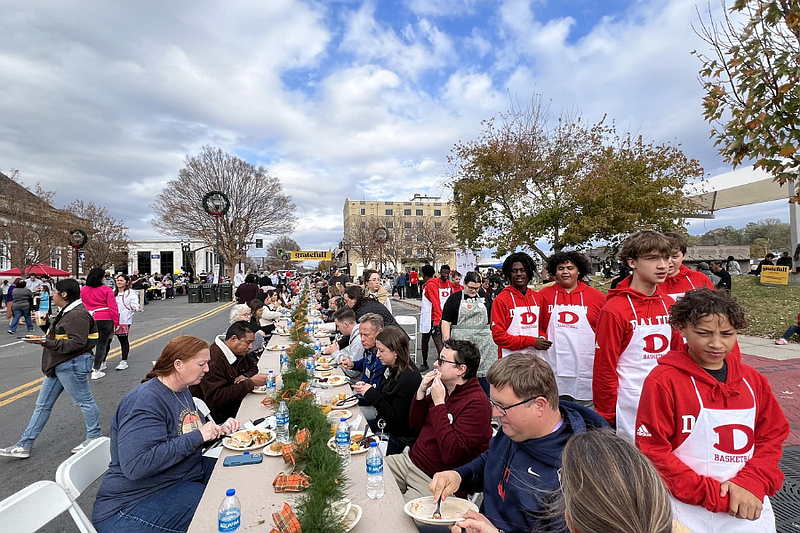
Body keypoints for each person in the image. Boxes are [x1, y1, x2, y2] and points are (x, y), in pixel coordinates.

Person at [636, 288, 789, 532]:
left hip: (747, 506)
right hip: (685, 509)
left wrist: (753, 481)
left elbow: (771, 436)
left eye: (727, 334)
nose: (716, 343)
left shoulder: (753, 380)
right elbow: (653, 451)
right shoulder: (663, 381)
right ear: (681, 328)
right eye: (703, 333)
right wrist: (718, 497)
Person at [430, 353, 607, 533]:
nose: (494, 414)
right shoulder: (515, 429)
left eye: (502, 406)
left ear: (539, 405)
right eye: (494, 403)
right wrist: (459, 476)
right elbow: (491, 460)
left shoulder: (578, 470)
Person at [92, 336, 240, 533]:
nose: (207, 369)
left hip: (181, 474)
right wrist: (199, 436)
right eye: (202, 364)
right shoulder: (145, 403)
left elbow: (187, 432)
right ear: (178, 365)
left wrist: (217, 430)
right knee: (223, 511)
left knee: (238, 474)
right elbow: (136, 466)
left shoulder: (182, 390)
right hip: (133, 502)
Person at [593, 230, 682, 440]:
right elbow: (605, 367)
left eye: (666, 257)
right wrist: (606, 415)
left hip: (667, 401)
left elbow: (679, 355)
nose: (663, 265)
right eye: (652, 258)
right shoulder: (614, 309)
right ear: (632, 262)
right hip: (630, 405)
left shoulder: (669, 304)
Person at [0, 278, 101, 459]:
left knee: (84, 401)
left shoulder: (77, 314)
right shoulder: (68, 310)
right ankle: (24, 444)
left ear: (64, 294)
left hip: (72, 363)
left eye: (55, 292)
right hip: (60, 364)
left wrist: (46, 342)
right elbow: (62, 335)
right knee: (42, 405)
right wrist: (45, 325)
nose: (52, 295)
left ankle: (94, 437)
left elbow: (78, 343)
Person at [387, 338, 492, 502]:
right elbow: (414, 424)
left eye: (442, 361)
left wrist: (439, 404)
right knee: (366, 474)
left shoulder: (477, 405)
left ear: (461, 369)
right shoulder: (444, 388)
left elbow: (451, 454)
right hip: (410, 460)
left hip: (434, 479)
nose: (435, 364)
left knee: (396, 519)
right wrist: (421, 392)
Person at [538, 251, 606, 407]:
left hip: (586, 370)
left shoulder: (597, 297)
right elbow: (538, 326)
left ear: (579, 270)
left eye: (570, 267)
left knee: (587, 416)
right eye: (561, 268)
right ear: (554, 272)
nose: (565, 272)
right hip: (554, 368)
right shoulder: (543, 295)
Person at [353, 326, 421, 455]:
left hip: (399, 437)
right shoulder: (391, 366)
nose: (377, 354)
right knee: (354, 430)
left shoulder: (408, 378)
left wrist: (372, 394)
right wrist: (368, 388)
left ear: (395, 351)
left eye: (381, 350)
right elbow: (385, 395)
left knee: (361, 451)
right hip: (385, 425)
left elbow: (396, 419)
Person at [189, 321, 267, 423]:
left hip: (235, 404)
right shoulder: (213, 360)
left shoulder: (239, 351)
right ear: (233, 339)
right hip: (219, 418)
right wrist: (250, 383)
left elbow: (253, 368)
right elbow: (215, 399)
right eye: (248, 342)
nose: (251, 347)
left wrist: (245, 376)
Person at [441, 271, 496, 394]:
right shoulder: (454, 299)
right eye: (471, 288)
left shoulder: (484, 297)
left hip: (484, 346)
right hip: (462, 346)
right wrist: (447, 340)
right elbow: (446, 321)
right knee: (462, 375)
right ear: (464, 284)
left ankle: (484, 401)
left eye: (476, 288)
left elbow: (491, 317)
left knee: (483, 379)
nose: (473, 291)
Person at [490, 252, 552, 359]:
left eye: (523, 270)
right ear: (509, 274)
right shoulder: (501, 300)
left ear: (529, 272)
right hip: (510, 361)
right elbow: (499, 337)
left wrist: (542, 338)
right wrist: (532, 341)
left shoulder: (538, 298)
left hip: (536, 359)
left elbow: (543, 327)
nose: (519, 274)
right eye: (514, 271)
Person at [83, 267, 120, 379]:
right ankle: (97, 368)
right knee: (102, 344)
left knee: (87, 344)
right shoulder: (107, 290)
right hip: (104, 318)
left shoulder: (83, 289)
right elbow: (113, 307)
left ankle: (87, 365)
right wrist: (116, 322)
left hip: (89, 318)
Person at [420, 264, 456, 371]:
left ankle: (444, 364)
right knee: (427, 340)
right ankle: (427, 362)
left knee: (438, 342)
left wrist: (436, 321)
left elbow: (436, 304)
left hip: (434, 317)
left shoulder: (432, 285)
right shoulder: (434, 284)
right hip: (432, 316)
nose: (445, 275)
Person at [662, 232, 715, 300]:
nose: (669, 261)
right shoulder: (649, 283)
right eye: (664, 257)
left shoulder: (699, 279)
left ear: (684, 256)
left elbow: (715, 306)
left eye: (674, 257)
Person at [341, 313, 385, 392]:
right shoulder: (370, 347)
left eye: (366, 335)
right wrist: (353, 364)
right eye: (361, 335)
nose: (362, 339)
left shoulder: (382, 357)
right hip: (361, 391)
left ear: (379, 332)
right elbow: (365, 362)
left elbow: (374, 392)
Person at [113, 274, 140, 371]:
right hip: (112, 319)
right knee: (106, 341)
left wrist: (134, 307)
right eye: (117, 280)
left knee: (123, 340)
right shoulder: (113, 293)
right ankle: (102, 361)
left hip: (124, 319)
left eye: (121, 280)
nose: (119, 282)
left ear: (127, 282)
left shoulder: (130, 293)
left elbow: (135, 304)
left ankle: (124, 361)